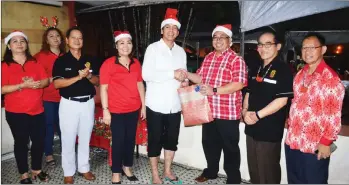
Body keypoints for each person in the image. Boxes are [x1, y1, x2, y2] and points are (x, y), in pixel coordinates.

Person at [186, 24, 247, 184]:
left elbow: (239, 83)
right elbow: (200, 78)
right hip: (209, 111)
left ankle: (233, 178)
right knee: (209, 144)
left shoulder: (236, 59)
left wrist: (214, 90)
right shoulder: (208, 58)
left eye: (222, 37)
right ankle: (211, 172)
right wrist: (186, 75)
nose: (218, 40)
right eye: (215, 37)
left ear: (230, 40)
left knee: (230, 147)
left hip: (228, 113)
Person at [285, 32, 345, 184]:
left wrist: (326, 142)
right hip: (294, 141)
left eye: (312, 47)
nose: (307, 51)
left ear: (323, 50)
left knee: (314, 181)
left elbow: (334, 115)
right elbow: (296, 102)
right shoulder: (300, 74)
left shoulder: (330, 79)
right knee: (294, 180)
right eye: (304, 48)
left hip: (315, 144)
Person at [142, 8, 187, 184]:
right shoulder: (152, 49)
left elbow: (181, 74)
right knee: (154, 141)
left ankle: (167, 170)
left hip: (175, 105)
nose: (171, 31)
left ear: (178, 31)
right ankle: (155, 173)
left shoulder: (181, 51)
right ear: (162, 30)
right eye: (167, 27)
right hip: (155, 105)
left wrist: (183, 81)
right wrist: (172, 74)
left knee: (171, 141)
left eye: (174, 28)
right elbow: (146, 75)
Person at [242, 30, 293, 184]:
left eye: (268, 44)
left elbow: (282, 101)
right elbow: (248, 93)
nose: (263, 48)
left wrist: (257, 115)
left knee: (268, 171)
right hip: (251, 127)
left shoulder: (283, 69)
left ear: (278, 46)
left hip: (269, 130)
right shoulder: (256, 67)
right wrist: (244, 112)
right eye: (260, 45)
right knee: (254, 169)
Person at [52, 26, 100, 184]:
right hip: (69, 104)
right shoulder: (61, 61)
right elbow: (57, 84)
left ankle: (84, 168)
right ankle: (68, 172)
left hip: (87, 102)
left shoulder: (89, 59)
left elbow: (97, 81)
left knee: (85, 138)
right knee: (68, 139)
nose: (77, 40)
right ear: (67, 40)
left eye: (80, 38)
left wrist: (89, 75)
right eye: (74, 37)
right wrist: (78, 77)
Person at [1, 31, 50, 184]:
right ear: (9, 46)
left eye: (22, 40)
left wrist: (37, 84)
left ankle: (36, 169)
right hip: (16, 112)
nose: (19, 43)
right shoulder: (4, 65)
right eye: (15, 41)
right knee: (21, 142)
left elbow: (46, 81)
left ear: (26, 45)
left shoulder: (35, 62)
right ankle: (23, 173)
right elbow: (2, 89)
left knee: (38, 141)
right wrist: (21, 85)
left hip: (37, 110)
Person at [100, 30, 145, 184]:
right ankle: (116, 172)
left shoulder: (136, 63)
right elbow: (103, 88)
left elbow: (140, 85)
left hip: (133, 109)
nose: (125, 46)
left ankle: (127, 167)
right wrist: (106, 111)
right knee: (118, 141)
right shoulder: (108, 63)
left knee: (130, 140)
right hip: (116, 110)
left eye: (129, 42)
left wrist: (143, 106)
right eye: (122, 42)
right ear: (116, 45)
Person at [34, 27, 66, 166]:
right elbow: (36, 77)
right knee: (48, 127)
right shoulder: (40, 56)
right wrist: (51, 78)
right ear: (46, 40)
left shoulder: (66, 55)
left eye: (57, 35)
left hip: (65, 97)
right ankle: (48, 154)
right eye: (51, 36)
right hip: (47, 98)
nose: (55, 38)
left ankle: (67, 152)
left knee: (64, 127)